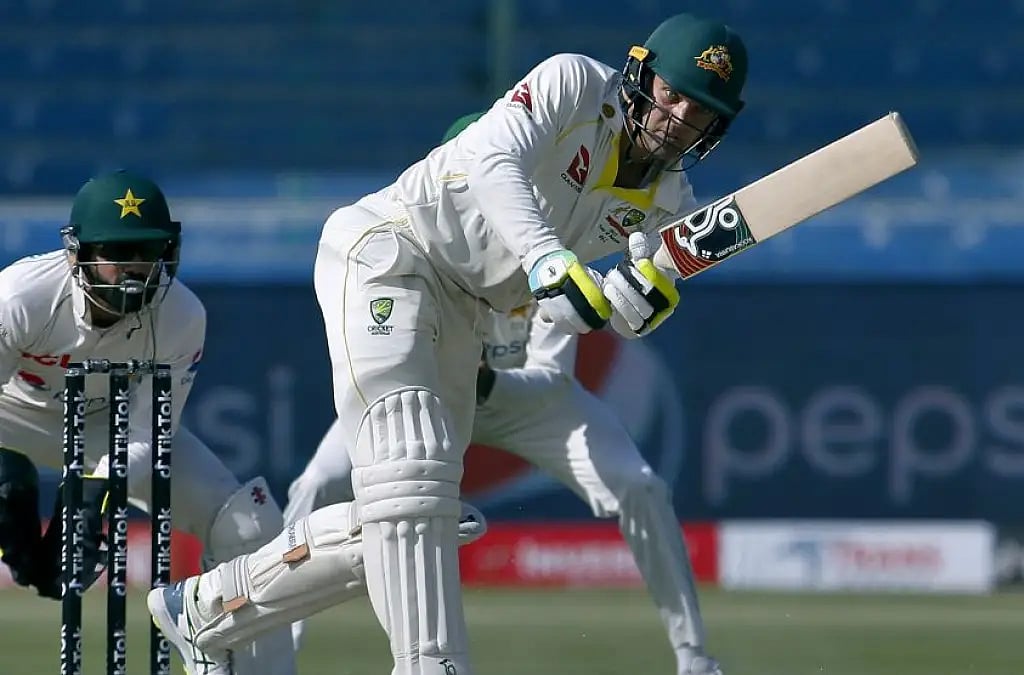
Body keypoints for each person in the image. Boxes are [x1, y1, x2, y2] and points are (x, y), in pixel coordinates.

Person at [149, 13, 747, 675]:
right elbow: (494, 162)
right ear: (642, 75)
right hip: (391, 251)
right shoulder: (573, 84)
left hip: (470, 315)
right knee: (412, 460)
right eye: (671, 93)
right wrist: (549, 259)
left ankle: (205, 607)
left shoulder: (670, 203)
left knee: (414, 509)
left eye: (700, 111)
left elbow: (603, 306)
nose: (679, 115)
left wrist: (636, 308)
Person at [280, 111, 722, 674]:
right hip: (429, 390)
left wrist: (493, 368)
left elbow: (550, 377)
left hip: (523, 401)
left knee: (641, 486)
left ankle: (694, 657)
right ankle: (276, 651)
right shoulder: (429, 245)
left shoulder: (551, 246)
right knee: (317, 482)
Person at [0, 170, 296, 674]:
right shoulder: (19, 298)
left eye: (146, 251)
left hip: (106, 431)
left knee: (249, 524)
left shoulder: (181, 316)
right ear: (78, 254)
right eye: (116, 252)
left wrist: (91, 501)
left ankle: (218, 645)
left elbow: (149, 431)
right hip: (10, 416)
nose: (134, 268)